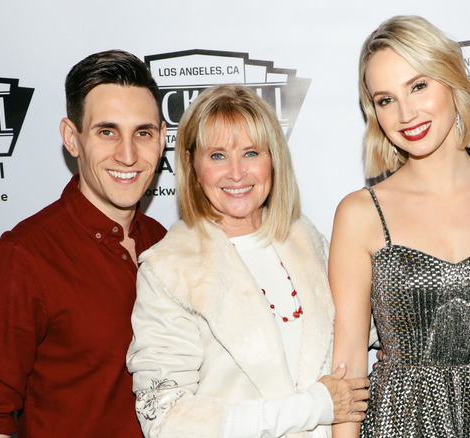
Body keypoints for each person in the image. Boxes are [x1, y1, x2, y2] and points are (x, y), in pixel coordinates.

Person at [125, 84, 369, 438]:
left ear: (273, 159)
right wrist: (312, 406)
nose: (237, 173)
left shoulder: (306, 238)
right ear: (193, 166)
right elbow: (165, 421)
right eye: (218, 156)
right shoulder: (168, 269)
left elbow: (365, 327)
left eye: (251, 153)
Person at [330, 15, 470, 437]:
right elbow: (347, 366)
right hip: (400, 423)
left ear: (451, 82)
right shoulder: (360, 213)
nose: (406, 113)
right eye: (385, 100)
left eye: (418, 86)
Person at [0, 50, 167, 437]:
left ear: (162, 138)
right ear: (72, 138)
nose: (128, 154)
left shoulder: (165, 242)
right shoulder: (20, 260)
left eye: (143, 132)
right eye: (107, 131)